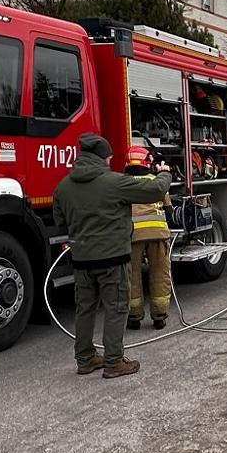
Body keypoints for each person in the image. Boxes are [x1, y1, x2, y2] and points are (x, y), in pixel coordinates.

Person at [54, 133, 172, 379]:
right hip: (113, 259)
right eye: (108, 157)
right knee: (116, 308)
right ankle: (114, 362)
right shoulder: (115, 182)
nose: (109, 161)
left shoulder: (63, 187)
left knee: (84, 309)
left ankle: (85, 359)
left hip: (82, 260)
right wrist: (165, 172)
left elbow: (59, 221)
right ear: (101, 157)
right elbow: (156, 190)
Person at [123, 146, 174, 331]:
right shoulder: (156, 182)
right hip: (158, 234)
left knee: (132, 276)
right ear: (148, 162)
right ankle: (159, 316)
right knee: (160, 273)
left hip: (132, 236)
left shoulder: (122, 184)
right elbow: (169, 210)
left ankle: (134, 317)